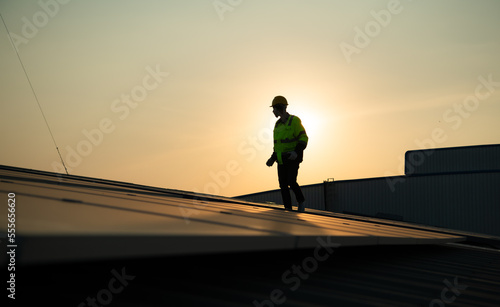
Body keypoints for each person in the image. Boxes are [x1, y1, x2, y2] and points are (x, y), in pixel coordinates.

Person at [266, 96, 308, 212]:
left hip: (293, 158)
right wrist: (272, 158)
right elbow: (278, 145)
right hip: (281, 159)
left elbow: (303, 138)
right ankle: (288, 208)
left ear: (279, 108)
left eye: (274, 108)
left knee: (291, 181)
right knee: (283, 185)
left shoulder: (294, 121)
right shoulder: (277, 125)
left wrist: (296, 152)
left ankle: (301, 201)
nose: (273, 111)